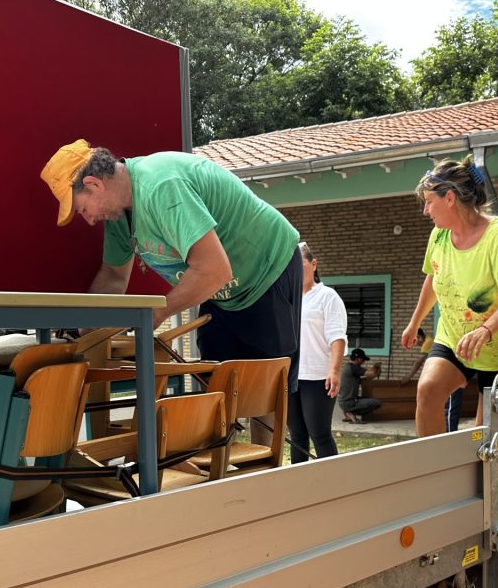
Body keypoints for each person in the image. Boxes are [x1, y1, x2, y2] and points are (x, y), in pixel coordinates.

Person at [40, 140, 303, 398]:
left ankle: (267, 444)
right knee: (214, 381)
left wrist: (157, 313)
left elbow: (214, 270)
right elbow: (113, 276)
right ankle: (227, 441)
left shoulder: (161, 186)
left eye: (83, 209)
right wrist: (85, 325)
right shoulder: (119, 216)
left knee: (265, 391)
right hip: (220, 292)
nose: (88, 220)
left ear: (94, 185)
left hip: (267, 269)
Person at [401, 156, 498, 454]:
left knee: (487, 434)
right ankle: (437, 477)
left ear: (449, 198)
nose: (425, 211)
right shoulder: (438, 236)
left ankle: (484, 499)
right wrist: (414, 322)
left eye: (428, 202)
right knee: (427, 390)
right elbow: (432, 279)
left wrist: (486, 330)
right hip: (455, 336)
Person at [288, 243, 347, 463]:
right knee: (297, 436)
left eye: (301, 264)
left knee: (320, 435)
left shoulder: (327, 297)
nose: (296, 270)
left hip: (318, 377)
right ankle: (299, 488)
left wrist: (335, 370)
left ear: (313, 265)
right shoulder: (289, 298)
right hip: (292, 376)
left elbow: (337, 336)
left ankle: (332, 487)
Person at [338, 349, 382, 424]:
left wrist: (374, 372)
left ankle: (348, 412)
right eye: (363, 360)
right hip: (349, 402)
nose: (363, 362)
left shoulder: (348, 367)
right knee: (377, 403)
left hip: (344, 401)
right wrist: (376, 367)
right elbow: (371, 373)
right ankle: (350, 412)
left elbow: (366, 379)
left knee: (368, 399)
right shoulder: (354, 368)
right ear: (358, 359)